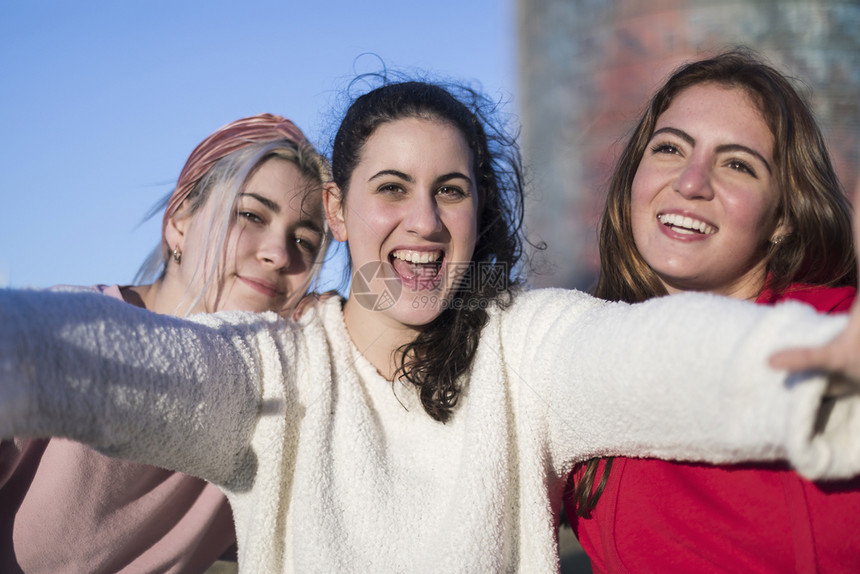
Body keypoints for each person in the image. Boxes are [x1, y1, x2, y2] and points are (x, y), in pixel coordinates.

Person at [2, 79, 860, 574]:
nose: (422, 222)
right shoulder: (276, 370)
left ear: (477, 210)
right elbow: (111, 362)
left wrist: (821, 366)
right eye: (391, 188)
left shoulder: (528, 345)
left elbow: (650, 358)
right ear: (337, 209)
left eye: (450, 190)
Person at [564, 50, 860, 573]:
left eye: (737, 164)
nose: (691, 182)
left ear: (784, 217)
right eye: (670, 149)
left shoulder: (832, 331)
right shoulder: (581, 354)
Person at [0, 113, 330, 573]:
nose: (279, 253)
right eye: (251, 215)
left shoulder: (278, 397)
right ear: (179, 222)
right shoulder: (65, 333)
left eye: (305, 240)